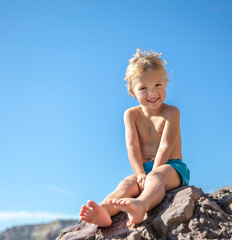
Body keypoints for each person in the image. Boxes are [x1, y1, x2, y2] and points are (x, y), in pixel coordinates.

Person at [79, 48, 190, 227]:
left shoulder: (172, 112)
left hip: (171, 168)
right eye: (143, 88)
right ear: (132, 92)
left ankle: (141, 205)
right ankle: (104, 211)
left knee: (156, 178)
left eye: (158, 85)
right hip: (144, 170)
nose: (152, 93)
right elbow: (132, 146)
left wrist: (153, 171)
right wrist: (139, 174)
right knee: (126, 184)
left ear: (166, 82)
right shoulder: (131, 115)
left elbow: (165, 145)